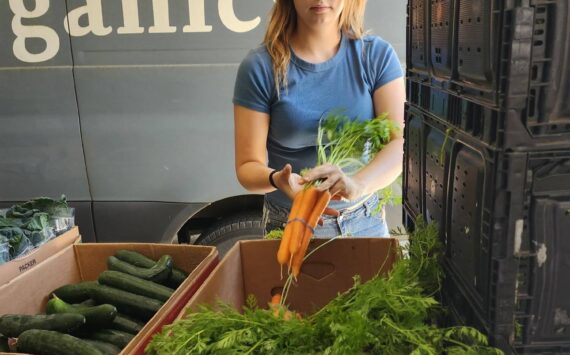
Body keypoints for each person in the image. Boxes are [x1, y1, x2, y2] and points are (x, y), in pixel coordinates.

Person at [233, 0, 405, 238]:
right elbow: (247, 167)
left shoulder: (375, 56)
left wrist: (357, 184)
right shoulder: (260, 66)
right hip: (288, 223)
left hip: (364, 220)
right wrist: (277, 179)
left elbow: (399, 145)